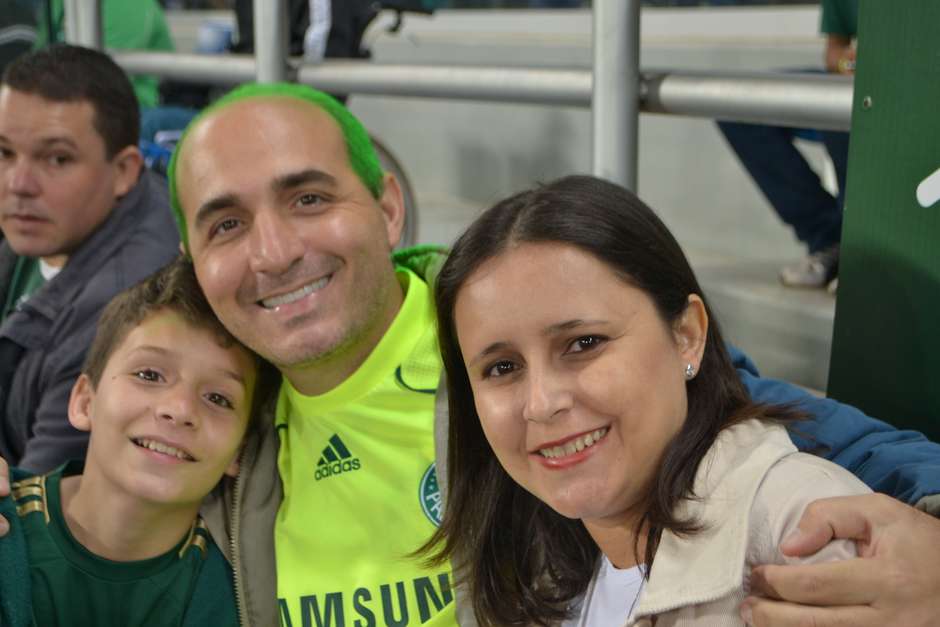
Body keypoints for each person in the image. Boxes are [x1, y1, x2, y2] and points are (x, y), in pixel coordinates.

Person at [1, 82, 933, 625]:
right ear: (195, 262)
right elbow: (95, 517)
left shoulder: (508, 343)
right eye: (227, 223)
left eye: (311, 198)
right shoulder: (226, 418)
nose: (275, 250)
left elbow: (768, 431)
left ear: (389, 207)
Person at [423, 174, 874, 625]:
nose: (541, 403)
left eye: (584, 343)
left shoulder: (806, 538)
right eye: (502, 367)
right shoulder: (528, 558)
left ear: (687, 335)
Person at [0, 256, 278, 627]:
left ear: (240, 450)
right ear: (85, 401)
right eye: (149, 374)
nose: (179, 409)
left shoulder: (239, 593)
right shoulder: (8, 524)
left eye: (218, 398)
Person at [0, 44, 179, 472]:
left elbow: (32, 503)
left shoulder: (122, 312)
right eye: (4, 153)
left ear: (124, 171)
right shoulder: (49, 223)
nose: (19, 183)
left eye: (58, 159)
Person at [717, 0, 857, 290]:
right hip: (858, 82)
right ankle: (831, 239)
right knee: (735, 106)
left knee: (849, 115)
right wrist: (854, 64)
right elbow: (834, 55)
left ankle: (859, 249)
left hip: (908, 91)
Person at [37, 0, 175, 109]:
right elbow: (34, 61)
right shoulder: (54, 4)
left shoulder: (127, 4)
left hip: (128, 107)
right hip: (66, 97)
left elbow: (100, 82)